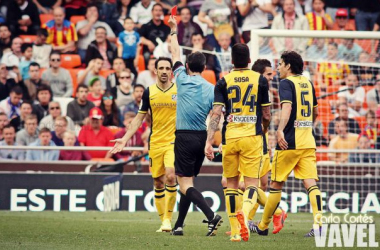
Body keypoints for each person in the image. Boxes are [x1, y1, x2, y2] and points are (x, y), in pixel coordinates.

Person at [250, 51, 323, 238]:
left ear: (288, 66)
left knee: (276, 184)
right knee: (311, 184)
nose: (278, 67)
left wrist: (280, 129)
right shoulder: (308, 82)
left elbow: (287, 106)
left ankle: (263, 225)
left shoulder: (286, 83)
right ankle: (319, 225)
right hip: (307, 140)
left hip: (289, 142)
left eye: (281, 64)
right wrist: (307, 126)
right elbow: (315, 111)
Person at [205, 44, 271, 242]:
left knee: (231, 185)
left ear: (232, 61)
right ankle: (246, 212)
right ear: (249, 60)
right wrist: (264, 129)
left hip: (230, 138)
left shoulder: (223, 81)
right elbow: (266, 114)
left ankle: (235, 231)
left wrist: (209, 142)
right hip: (252, 137)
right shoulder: (260, 80)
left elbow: (216, 113)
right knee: (252, 183)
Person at [166, 16, 223, 237]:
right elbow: (216, 116)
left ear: (187, 66)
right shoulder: (211, 88)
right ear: (205, 67)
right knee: (186, 183)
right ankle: (179, 225)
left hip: (184, 136)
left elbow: (174, 52)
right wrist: (209, 141)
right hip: (200, 137)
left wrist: (173, 30)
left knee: (184, 185)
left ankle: (211, 215)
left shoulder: (180, 77)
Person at [110, 57, 177, 233]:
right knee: (157, 182)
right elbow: (139, 118)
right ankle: (164, 221)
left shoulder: (179, 90)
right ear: (155, 71)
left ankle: (169, 219)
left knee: (171, 176)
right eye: (160, 68)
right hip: (155, 142)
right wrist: (124, 139)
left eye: (167, 68)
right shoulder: (149, 92)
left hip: (173, 141)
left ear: (171, 71)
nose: (164, 71)